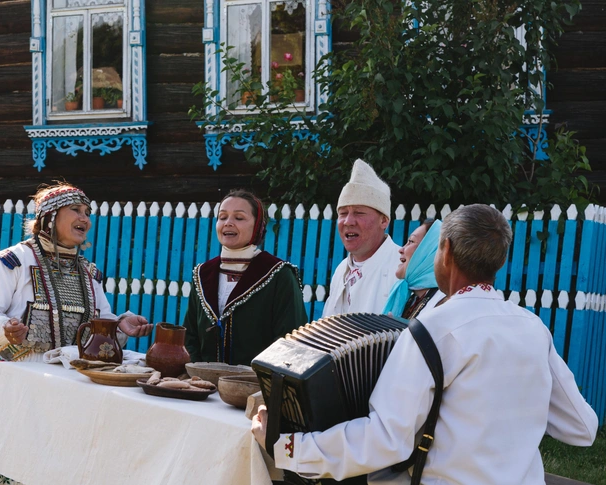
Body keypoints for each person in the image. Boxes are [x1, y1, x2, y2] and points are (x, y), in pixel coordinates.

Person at [252, 204, 598, 484]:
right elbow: (582, 429)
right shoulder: (533, 327)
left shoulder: (430, 330)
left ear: (444, 252)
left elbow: (386, 439)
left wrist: (288, 446)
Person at [0, 183, 153, 485]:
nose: (86, 219)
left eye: (88, 213)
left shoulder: (88, 273)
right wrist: (5, 328)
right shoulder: (14, 261)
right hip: (23, 372)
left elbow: (101, 323)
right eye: (76, 211)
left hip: (74, 376)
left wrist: (119, 326)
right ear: (50, 217)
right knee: (25, 454)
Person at [183, 189, 308, 366]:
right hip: (202, 385)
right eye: (222, 217)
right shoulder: (203, 274)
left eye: (239, 218)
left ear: (257, 226)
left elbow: (291, 340)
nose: (228, 223)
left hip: (255, 387)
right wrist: (196, 374)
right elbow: (190, 336)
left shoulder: (278, 274)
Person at [322, 159, 401, 317]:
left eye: (359, 213)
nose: (348, 222)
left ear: (384, 220)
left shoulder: (401, 269)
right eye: (343, 213)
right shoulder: (341, 270)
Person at [381, 219, 445, 319]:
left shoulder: (442, 303)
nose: (401, 249)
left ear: (428, 254)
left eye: (411, 241)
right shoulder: (413, 298)